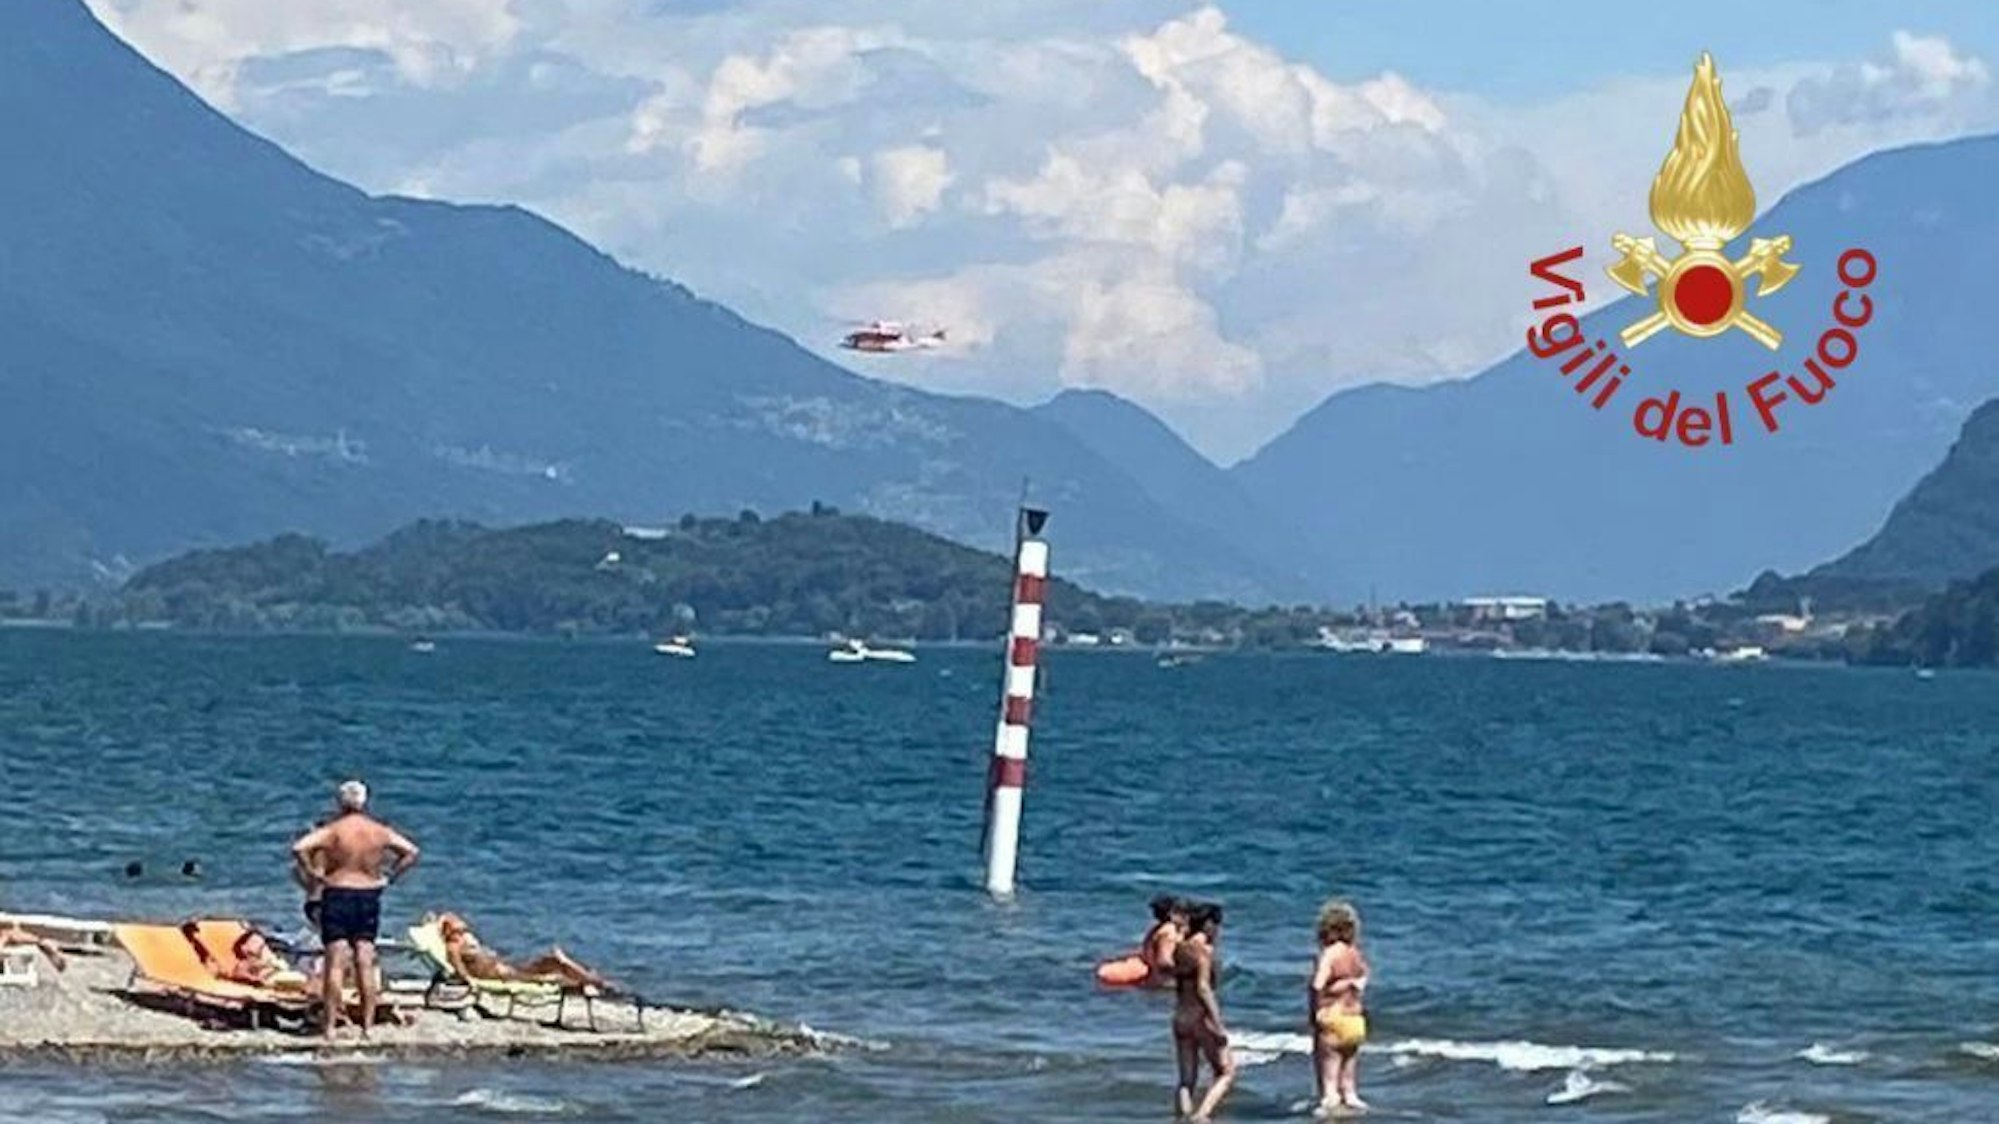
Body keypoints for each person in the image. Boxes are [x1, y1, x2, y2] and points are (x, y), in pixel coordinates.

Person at [290, 780, 420, 1040]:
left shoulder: (334, 830)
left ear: (341, 802)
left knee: (335, 962)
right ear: (364, 801)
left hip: (338, 891)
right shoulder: (378, 831)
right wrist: (390, 877)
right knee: (364, 959)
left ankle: (329, 1028)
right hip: (369, 893)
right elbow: (411, 852)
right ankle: (367, 1027)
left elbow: (299, 847)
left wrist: (314, 873)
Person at [1171, 902, 1236, 1122]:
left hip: (1180, 1015)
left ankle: (1183, 1117)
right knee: (1226, 1071)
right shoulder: (1204, 951)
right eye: (1216, 925)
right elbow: (1203, 987)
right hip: (1200, 1016)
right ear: (1208, 925)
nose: (1218, 930)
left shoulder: (1180, 948)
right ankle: (1202, 1116)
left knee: (1186, 1079)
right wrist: (1217, 1023)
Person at [435, 913, 610, 990]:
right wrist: (470, 983)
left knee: (553, 962)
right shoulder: (454, 947)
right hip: (506, 975)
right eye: (458, 925)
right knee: (557, 964)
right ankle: (593, 981)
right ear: (449, 930)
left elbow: (442, 917)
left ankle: (589, 980)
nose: (464, 927)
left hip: (509, 968)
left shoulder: (463, 942)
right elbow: (461, 971)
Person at [1309, 900, 1371, 1115]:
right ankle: (1352, 1100)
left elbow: (1318, 984)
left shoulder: (1330, 953)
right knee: (1349, 1075)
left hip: (1333, 1016)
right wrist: (1350, 984)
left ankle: (1329, 1104)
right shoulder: (1354, 953)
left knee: (1330, 1076)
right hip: (1355, 1018)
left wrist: (1317, 1009)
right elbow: (1363, 976)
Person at [1143, 895, 1188, 987]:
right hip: (1166, 984)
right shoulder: (1169, 931)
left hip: (1153, 980)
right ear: (1171, 913)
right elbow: (1164, 962)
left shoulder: (1155, 929)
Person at [1, 922, 67, 974]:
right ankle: (55, 956)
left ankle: (56, 957)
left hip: (10, 935)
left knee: (41, 942)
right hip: (9, 935)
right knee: (40, 942)